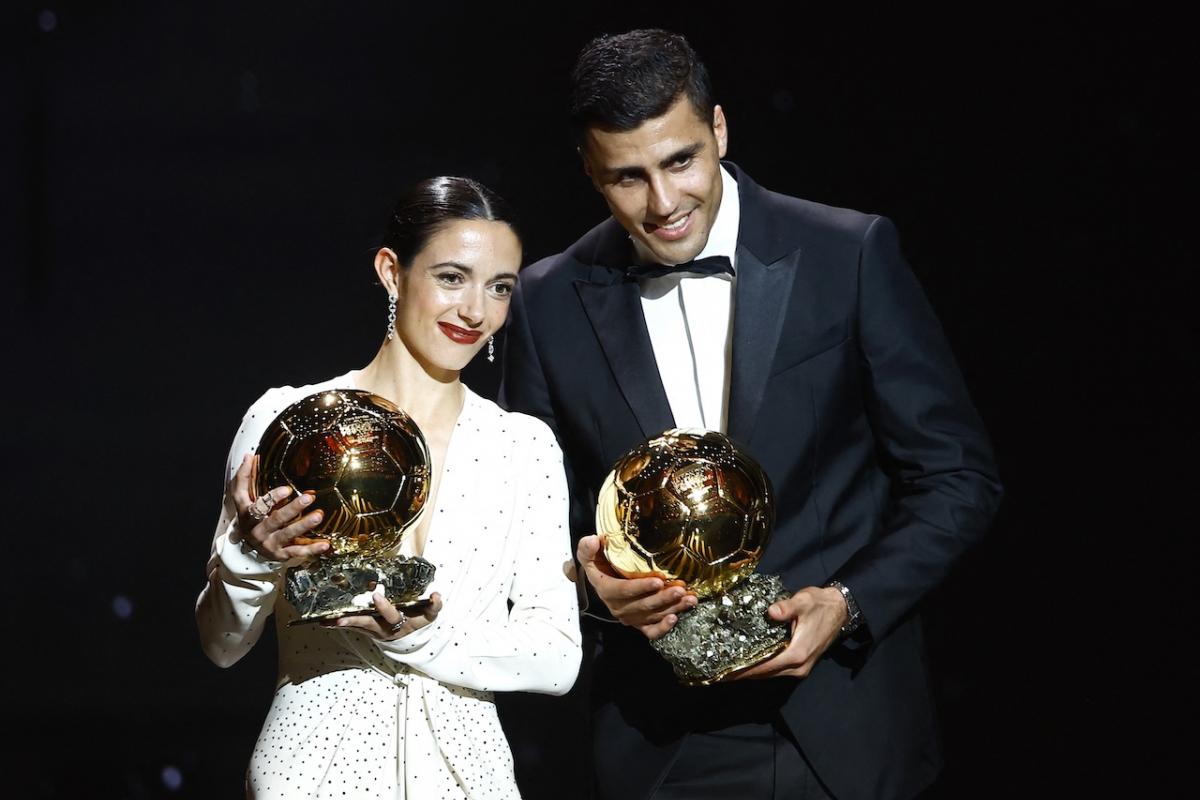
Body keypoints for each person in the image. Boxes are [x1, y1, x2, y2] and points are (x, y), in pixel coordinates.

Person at [500, 30, 1002, 800]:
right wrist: (596, 588)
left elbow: (958, 477)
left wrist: (848, 602)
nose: (664, 204)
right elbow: (533, 532)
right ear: (589, 171)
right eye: (628, 178)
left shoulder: (849, 252)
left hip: (846, 724)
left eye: (680, 161)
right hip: (661, 742)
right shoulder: (546, 301)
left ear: (721, 129)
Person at [196, 176, 582, 799]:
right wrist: (251, 557)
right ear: (391, 272)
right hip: (311, 778)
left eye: (499, 288)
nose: (475, 311)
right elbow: (220, 644)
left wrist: (423, 636)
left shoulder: (522, 447)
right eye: (452, 278)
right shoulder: (289, 423)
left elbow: (557, 658)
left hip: (467, 782)